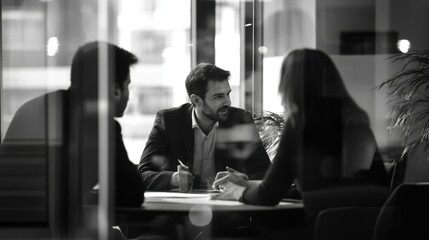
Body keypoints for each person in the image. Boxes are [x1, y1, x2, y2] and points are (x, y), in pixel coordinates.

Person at [212, 49, 390, 237]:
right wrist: (247, 185)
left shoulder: (301, 123)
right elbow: (333, 187)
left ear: (291, 83)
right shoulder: (355, 119)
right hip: (366, 227)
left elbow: (269, 195)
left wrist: (237, 192)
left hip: (319, 227)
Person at [0, 41, 144, 207]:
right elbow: (132, 192)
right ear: (115, 90)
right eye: (127, 86)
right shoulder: (101, 126)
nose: (128, 95)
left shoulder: (34, 107)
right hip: (46, 228)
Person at [138, 62, 271, 191]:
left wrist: (245, 180)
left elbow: (265, 173)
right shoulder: (168, 121)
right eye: (218, 97)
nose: (228, 102)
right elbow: (142, 174)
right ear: (196, 100)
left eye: (228, 94)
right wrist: (174, 179)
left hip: (226, 208)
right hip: (180, 209)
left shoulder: (240, 120)